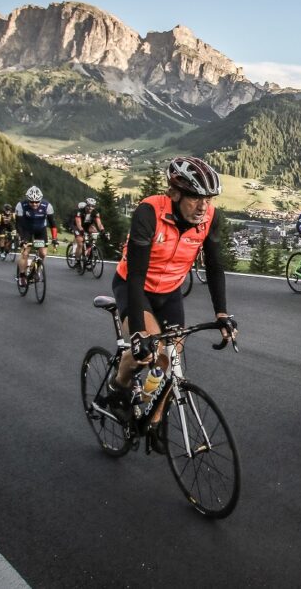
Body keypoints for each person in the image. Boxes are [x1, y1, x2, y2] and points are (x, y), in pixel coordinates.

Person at [103, 156, 236, 420]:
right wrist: (140, 331)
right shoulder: (149, 212)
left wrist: (222, 314)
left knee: (170, 362)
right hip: (136, 287)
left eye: (208, 199)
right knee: (151, 353)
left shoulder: (209, 217)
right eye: (195, 198)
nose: (203, 207)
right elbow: (136, 275)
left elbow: (214, 265)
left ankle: (152, 419)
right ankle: (118, 383)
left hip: (170, 291)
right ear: (174, 193)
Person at [14, 186, 58, 286]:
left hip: (40, 230)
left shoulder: (47, 206)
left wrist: (54, 238)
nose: (34, 204)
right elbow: (18, 225)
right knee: (25, 253)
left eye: (37, 202)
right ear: (28, 200)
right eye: (32, 202)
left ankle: (36, 270)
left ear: (40, 200)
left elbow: (53, 225)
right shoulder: (21, 205)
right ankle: (21, 275)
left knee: (42, 253)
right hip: (26, 230)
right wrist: (21, 239)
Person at [72, 197, 105, 263]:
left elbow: (99, 224)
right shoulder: (80, 212)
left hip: (88, 226)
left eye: (92, 206)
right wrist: (81, 231)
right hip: (78, 226)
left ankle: (89, 249)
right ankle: (77, 260)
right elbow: (78, 224)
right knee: (80, 243)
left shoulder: (95, 213)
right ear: (86, 205)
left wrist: (102, 230)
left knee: (95, 232)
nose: (90, 208)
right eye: (89, 206)